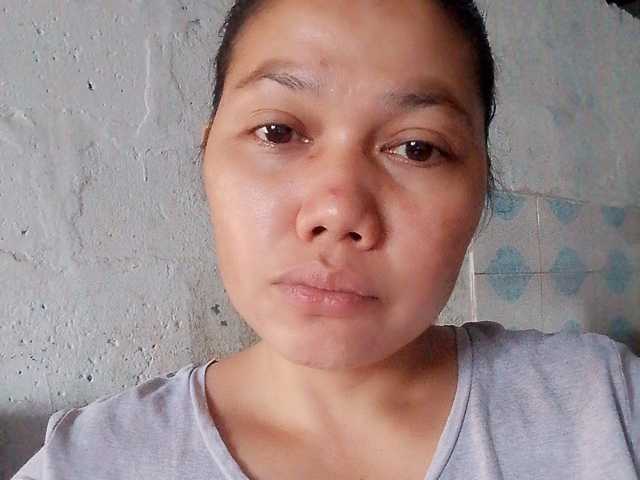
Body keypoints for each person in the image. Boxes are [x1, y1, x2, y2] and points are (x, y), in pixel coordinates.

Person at [12, 0, 639, 479]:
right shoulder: (89, 463)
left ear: (482, 189)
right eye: (277, 133)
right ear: (206, 158)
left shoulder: (606, 411)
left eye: (417, 148)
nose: (338, 212)